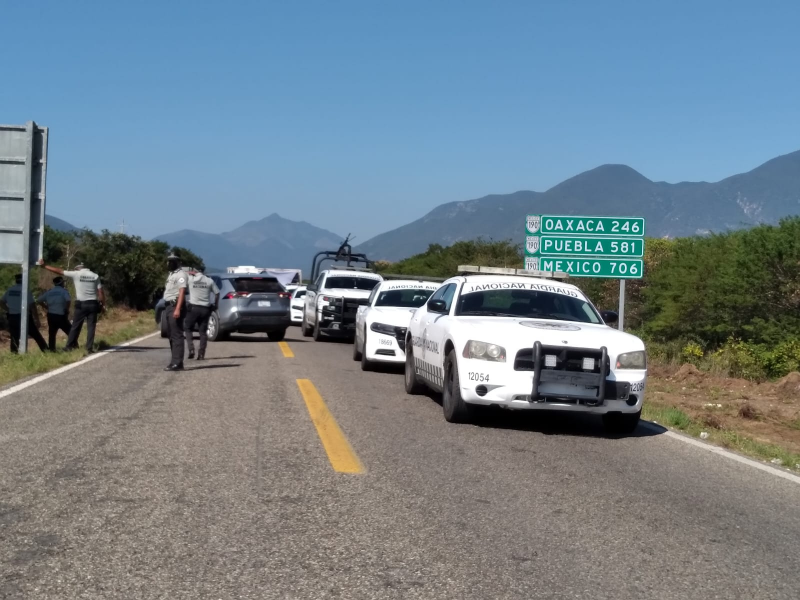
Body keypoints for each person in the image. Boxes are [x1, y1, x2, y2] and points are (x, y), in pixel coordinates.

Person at [38, 260, 105, 352]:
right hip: (93, 303)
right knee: (91, 327)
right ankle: (89, 348)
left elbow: (59, 271)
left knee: (75, 326)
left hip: (81, 304)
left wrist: (45, 266)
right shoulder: (95, 275)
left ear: (77, 268)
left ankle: (69, 346)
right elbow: (100, 292)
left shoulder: (76, 274)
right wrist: (102, 305)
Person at [1, 273, 47, 353]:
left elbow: (1, 302)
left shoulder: (10, 290)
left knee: (14, 336)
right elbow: (32, 305)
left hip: (13, 316)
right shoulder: (25, 290)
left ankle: (14, 353)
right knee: (36, 335)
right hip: (25, 317)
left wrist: (8, 309)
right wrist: (36, 319)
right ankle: (46, 350)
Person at [185, 268, 220, 360]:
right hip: (205, 309)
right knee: (203, 332)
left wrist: (189, 273)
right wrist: (216, 305)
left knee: (188, 328)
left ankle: (191, 349)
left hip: (193, 308)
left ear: (194, 272)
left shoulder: (191, 279)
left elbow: (184, 276)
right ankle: (201, 354)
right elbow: (217, 293)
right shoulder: (209, 281)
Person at [163, 254, 188, 371]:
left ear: (177, 262)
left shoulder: (181, 274)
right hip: (168, 306)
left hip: (175, 305)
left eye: (171, 262)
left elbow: (182, 291)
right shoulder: (171, 274)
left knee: (177, 334)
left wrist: (177, 308)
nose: (169, 264)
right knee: (170, 334)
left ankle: (178, 363)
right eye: (168, 261)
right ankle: (174, 360)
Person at [37, 276, 72, 351]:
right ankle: (73, 345)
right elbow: (68, 300)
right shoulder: (63, 291)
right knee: (70, 331)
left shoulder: (49, 292)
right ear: (62, 283)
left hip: (51, 315)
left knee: (52, 333)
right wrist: (67, 309)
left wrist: (46, 307)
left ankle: (52, 349)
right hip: (61, 315)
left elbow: (39, 300)